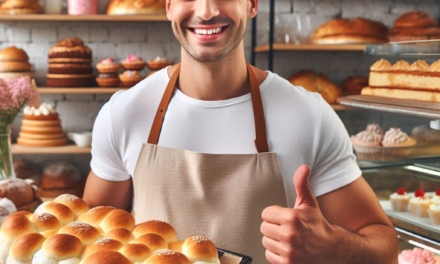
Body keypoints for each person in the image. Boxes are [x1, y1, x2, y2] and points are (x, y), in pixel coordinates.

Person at [83, 0, 399, 263]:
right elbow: (88, 237)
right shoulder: (123, 113)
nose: (205, 11)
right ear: (168, 6)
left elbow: (385, 248)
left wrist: (332, 247)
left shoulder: (309, 116)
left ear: (251, 4)